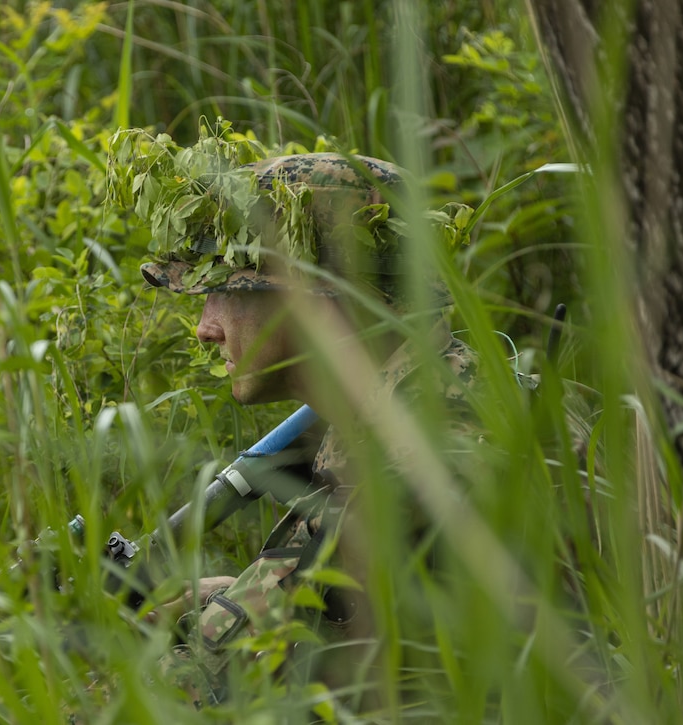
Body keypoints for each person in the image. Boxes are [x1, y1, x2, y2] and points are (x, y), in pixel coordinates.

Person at [138, 153, 484, 710]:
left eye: (226, 290)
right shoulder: (407, 408)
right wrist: (238, 592)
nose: (205, 328)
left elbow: (191, 694)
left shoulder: (413, 455)